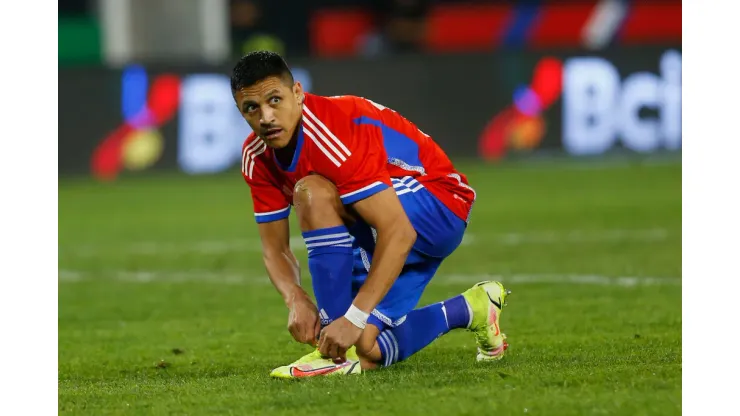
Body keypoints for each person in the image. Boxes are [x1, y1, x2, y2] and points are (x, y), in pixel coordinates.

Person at [232, 51, 511, 378]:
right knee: (370, 348)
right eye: (251, 108)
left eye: (274, 100)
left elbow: (399, 231)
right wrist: (295, 298)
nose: (265, 117)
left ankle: (335, 356)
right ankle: (473, 307)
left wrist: (350, 319)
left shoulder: (330, 131)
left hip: (437, 201)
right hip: (384, 219)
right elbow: (274, 248)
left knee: (312, 192)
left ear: (297, 92)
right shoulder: (256, 156)